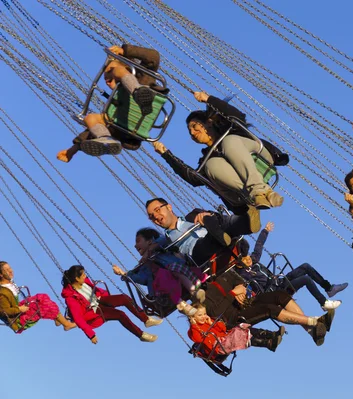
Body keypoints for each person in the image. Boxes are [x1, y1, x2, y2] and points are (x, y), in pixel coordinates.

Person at [152, 91, 288, 211]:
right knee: (211, 165)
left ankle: (259, 190)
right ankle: (261, 195)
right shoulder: (206, 158)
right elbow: (193, 178)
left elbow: (237, 116)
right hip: (242, 192)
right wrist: (166, 155)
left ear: (208, 122)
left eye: (194, 126)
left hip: (258, 156)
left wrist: (208, 99)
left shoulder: (231, 128)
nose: (192, 132)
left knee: (229, 141)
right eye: (189, 132)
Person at [57, 44, 165, 162]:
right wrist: (72, 150)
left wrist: (125, 51)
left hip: (142, 102)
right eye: (106, 80)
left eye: (109, 71)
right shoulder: (116, 101)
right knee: (90, 118)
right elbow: (90, 131)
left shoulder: (144, 77)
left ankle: (136, 91)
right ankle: (105, 138)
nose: (107, 80)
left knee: (118, 71)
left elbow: (153, 57)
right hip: (125, 131)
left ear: (128, 67)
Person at [180, 270, 333, 346]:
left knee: (279, 295)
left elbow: (238, 280)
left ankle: (311, 330)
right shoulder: (200, 298)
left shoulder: (221, 275)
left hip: (246, 302)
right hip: (235, 316)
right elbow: (216, 312)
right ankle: (314, 321)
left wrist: (241, 287)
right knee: (269, 308)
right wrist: (233, 293)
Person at [236, 222, 348, 311]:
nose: (249, 259)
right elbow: (241, 284)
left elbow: (259, 245)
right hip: (275, 290)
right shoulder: (243, 274)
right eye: (245, 260)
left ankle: (329, 288)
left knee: (305, 266)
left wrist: (265, 231)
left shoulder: (254, 260)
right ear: (240, 264)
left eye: (248, 256)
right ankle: (323, 303)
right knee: (305, 279)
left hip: (279, 281)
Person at [146, 198, 261, 272]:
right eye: (151, 216)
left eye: (157, 210)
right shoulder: (166, 241)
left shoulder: (192, 216)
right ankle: (232, 229)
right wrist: (149, 251)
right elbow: (153, 246)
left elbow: (217, 218)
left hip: (215, 236)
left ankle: (246, 222)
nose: (155, 216)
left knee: (213, 220)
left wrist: (207, 215)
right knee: (207, 241)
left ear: (168, 207)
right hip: (199, 253)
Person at [61, 265, 162, 344]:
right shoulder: (71, 298)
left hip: (100, 299)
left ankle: (146, 319)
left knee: (124, 298)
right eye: (83, 275)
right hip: (94, 311)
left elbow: (95, 289)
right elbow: (78, 319)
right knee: (120, 314)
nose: (85, 276)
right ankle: (141, 335)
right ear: (76, 278)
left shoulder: (84, 282)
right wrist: (91, 335)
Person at [112, 227, 206, 302]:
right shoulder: (144, 266)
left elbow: (164, 239)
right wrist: (124, 274)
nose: (135, 245)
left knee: (173, 267)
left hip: (180, 272)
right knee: (161, 279)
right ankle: (182, 305)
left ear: (149, 241)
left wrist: (151, 249)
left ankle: (194, 290)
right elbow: (141, 279)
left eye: (138, 241)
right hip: (165, 286)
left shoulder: (162, 248)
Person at [0, 261, 76, 333]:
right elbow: (3, 311)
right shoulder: (2, 292)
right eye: (6, 270)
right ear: (1, 275)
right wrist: (19, 309)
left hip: (18, 308)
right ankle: (66, 325)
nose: (10, 271)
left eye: (10, 268)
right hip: (18, 320)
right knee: (42, 304)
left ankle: (57, 319)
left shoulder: (9, 282)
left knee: (42, 296)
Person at [187, 302, 285, 355]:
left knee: (242, 328)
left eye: (204, 314)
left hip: (226, 338)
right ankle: (268, 343)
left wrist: (212, 323)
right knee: (239, 335)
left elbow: (222, 328)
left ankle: (271, 335)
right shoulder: (193, 330)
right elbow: (198, 338)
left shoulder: (209, 322)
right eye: (200, 315)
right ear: (192, 318)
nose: (204, 316)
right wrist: (194, 325)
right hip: (218, 348)